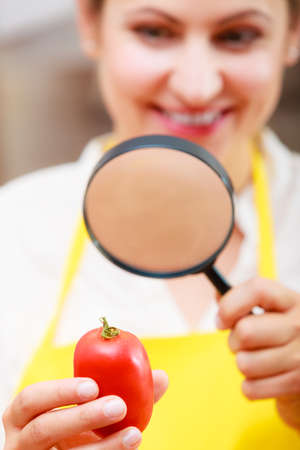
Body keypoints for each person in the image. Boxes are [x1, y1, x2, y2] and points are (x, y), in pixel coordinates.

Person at [1, 0, 300, 448]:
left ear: (293, 35)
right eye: (154, 32)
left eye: (237, 36)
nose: (196, 87)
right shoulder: (14, 226)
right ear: (91, 24)